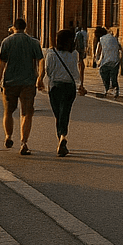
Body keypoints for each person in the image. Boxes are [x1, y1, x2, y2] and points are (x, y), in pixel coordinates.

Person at [0, 18, 45, 155]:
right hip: (28, 82)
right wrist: (40, 77)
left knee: (8, 112)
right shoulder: (34, 42)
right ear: (25, 27)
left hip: (10, 82)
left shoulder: (7, 42)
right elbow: (41, 59)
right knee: (27, 113)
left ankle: (8, 136)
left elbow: (1, 63)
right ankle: (24, 142)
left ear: (14, 28)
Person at [45, 28, 87, 156]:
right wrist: (80, 85)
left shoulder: (51, 53)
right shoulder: (74, 54)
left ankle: (61, 137)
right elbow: (76, 72)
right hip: (69, 87)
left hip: (55, 86)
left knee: (58, 114)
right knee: (65, 112)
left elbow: (48, 70)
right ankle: (63, 136)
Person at [94, 26, 122, 97]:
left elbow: (98, 51)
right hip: (115, 60)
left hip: (106, 61)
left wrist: (97, 61)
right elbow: (120, 48)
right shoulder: (113, 38)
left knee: (103, 73)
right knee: (113, 76)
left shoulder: (101, 39)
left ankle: (107, 89)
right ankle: (116, 89)